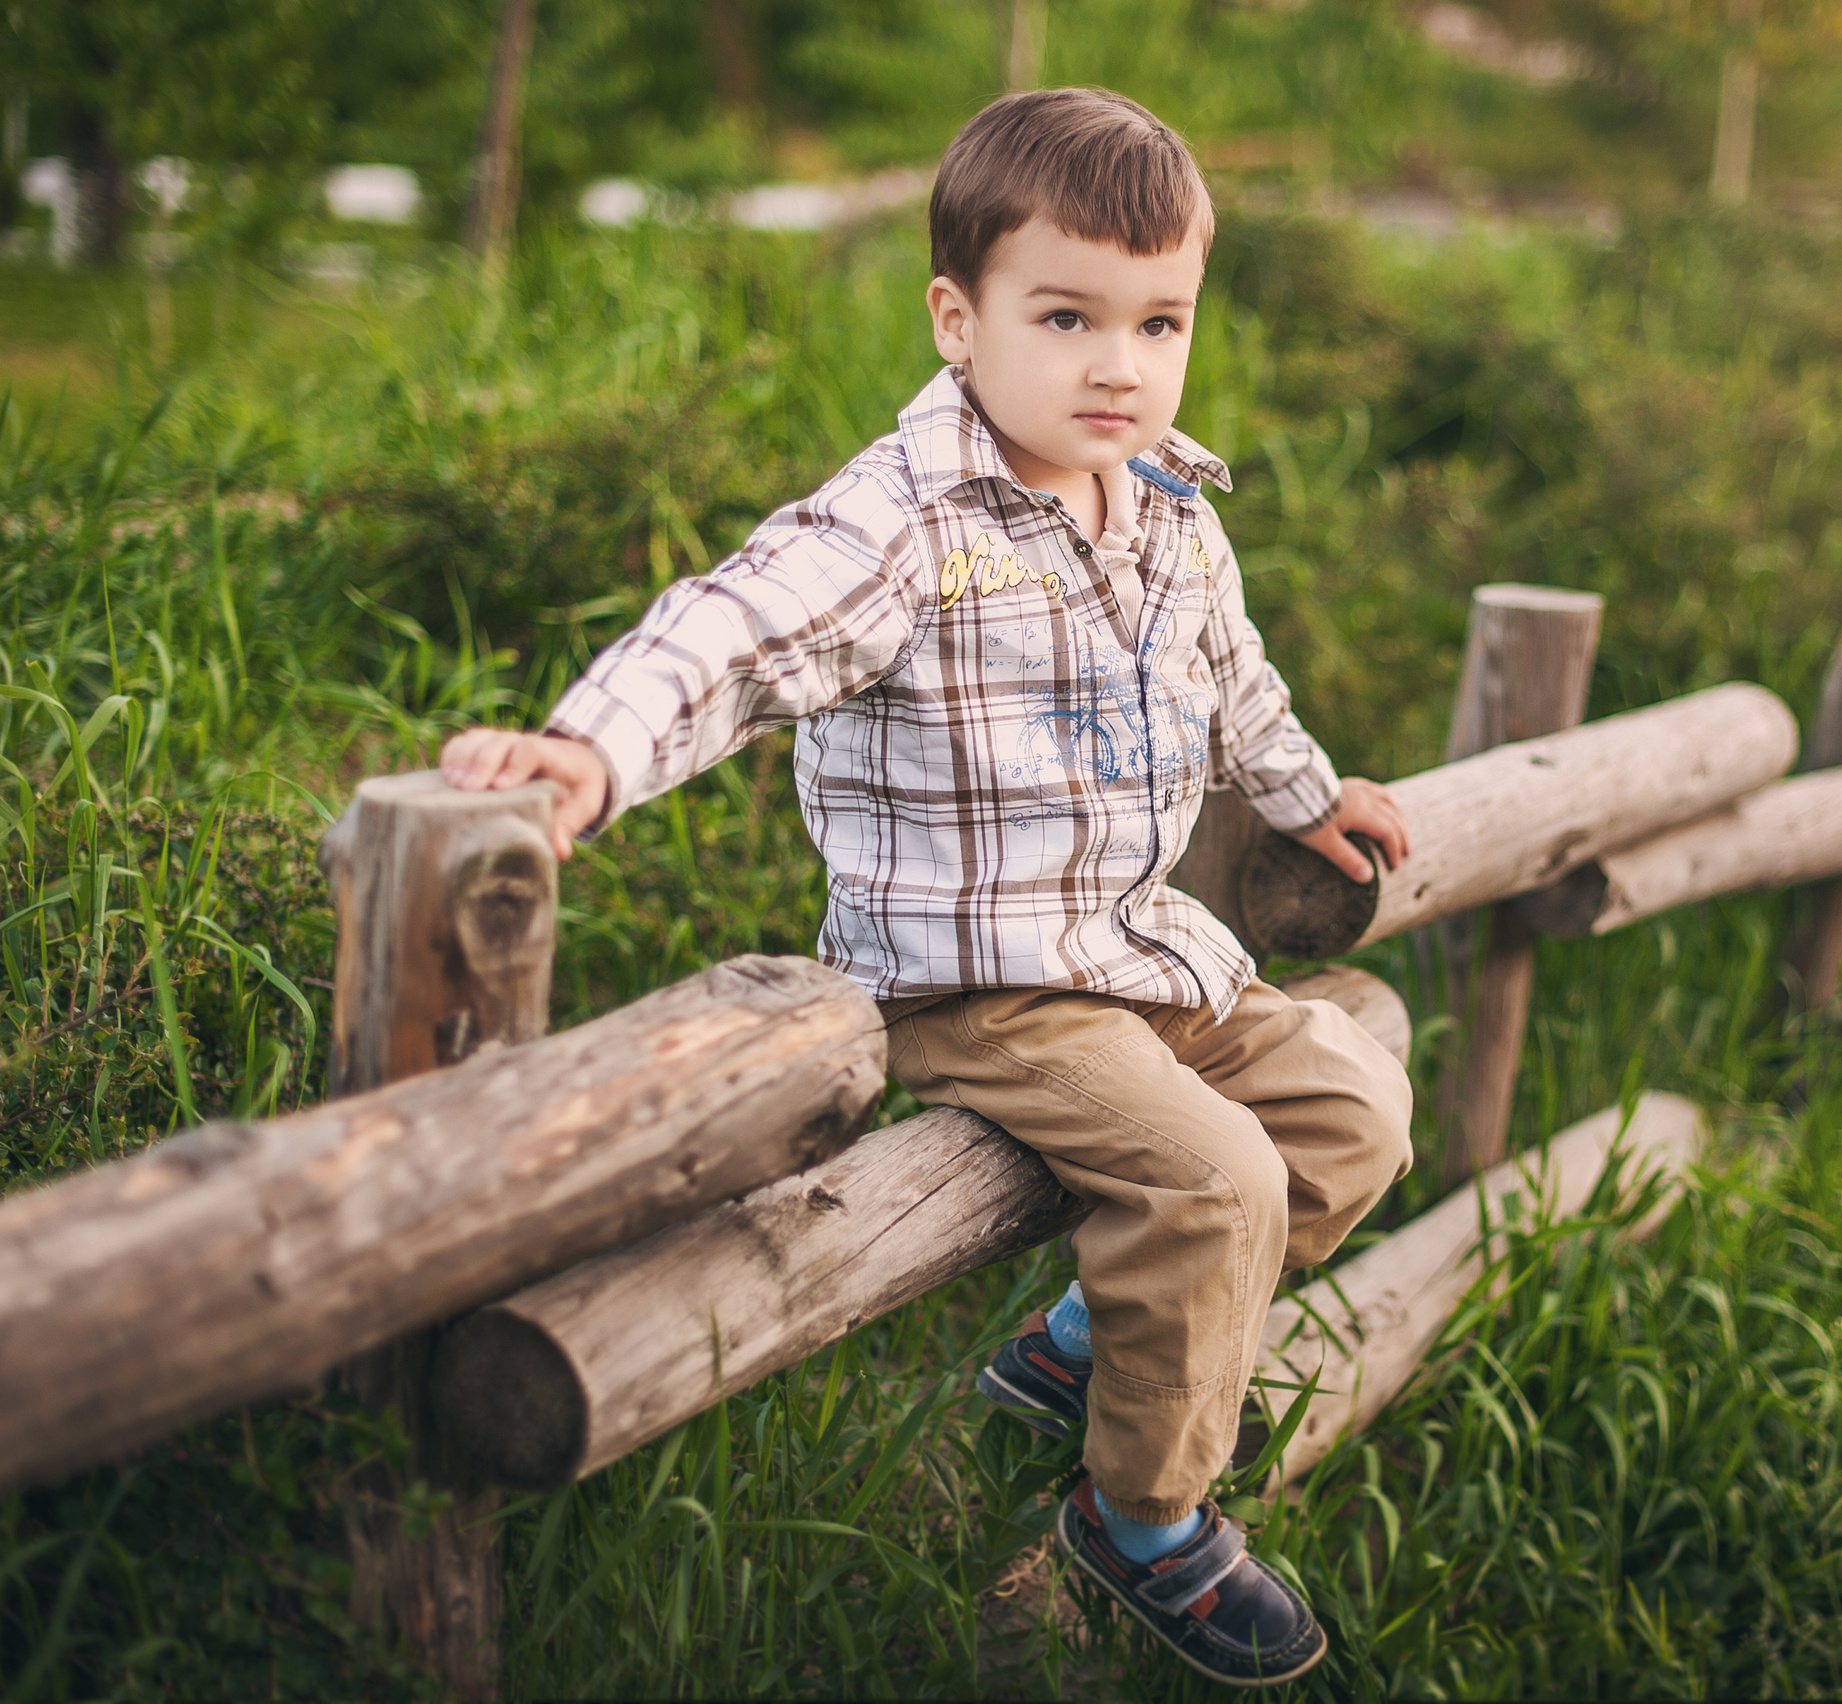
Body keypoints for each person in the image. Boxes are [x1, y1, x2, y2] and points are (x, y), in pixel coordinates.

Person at [439, 86, 1413, 1687]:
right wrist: (586, 754)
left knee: (1355, 1110)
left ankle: (1080, 1346)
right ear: (959, 321)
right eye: (1066, 317)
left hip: (1135, 948)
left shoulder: (1171, 510)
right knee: (1220, 1180)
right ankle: (1142, 1519)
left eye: (1159, 322)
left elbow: (1238, 688)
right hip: (983, 984)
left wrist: (1314, 797)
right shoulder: (905, 522)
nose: (1119, 365)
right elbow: (734, 631)